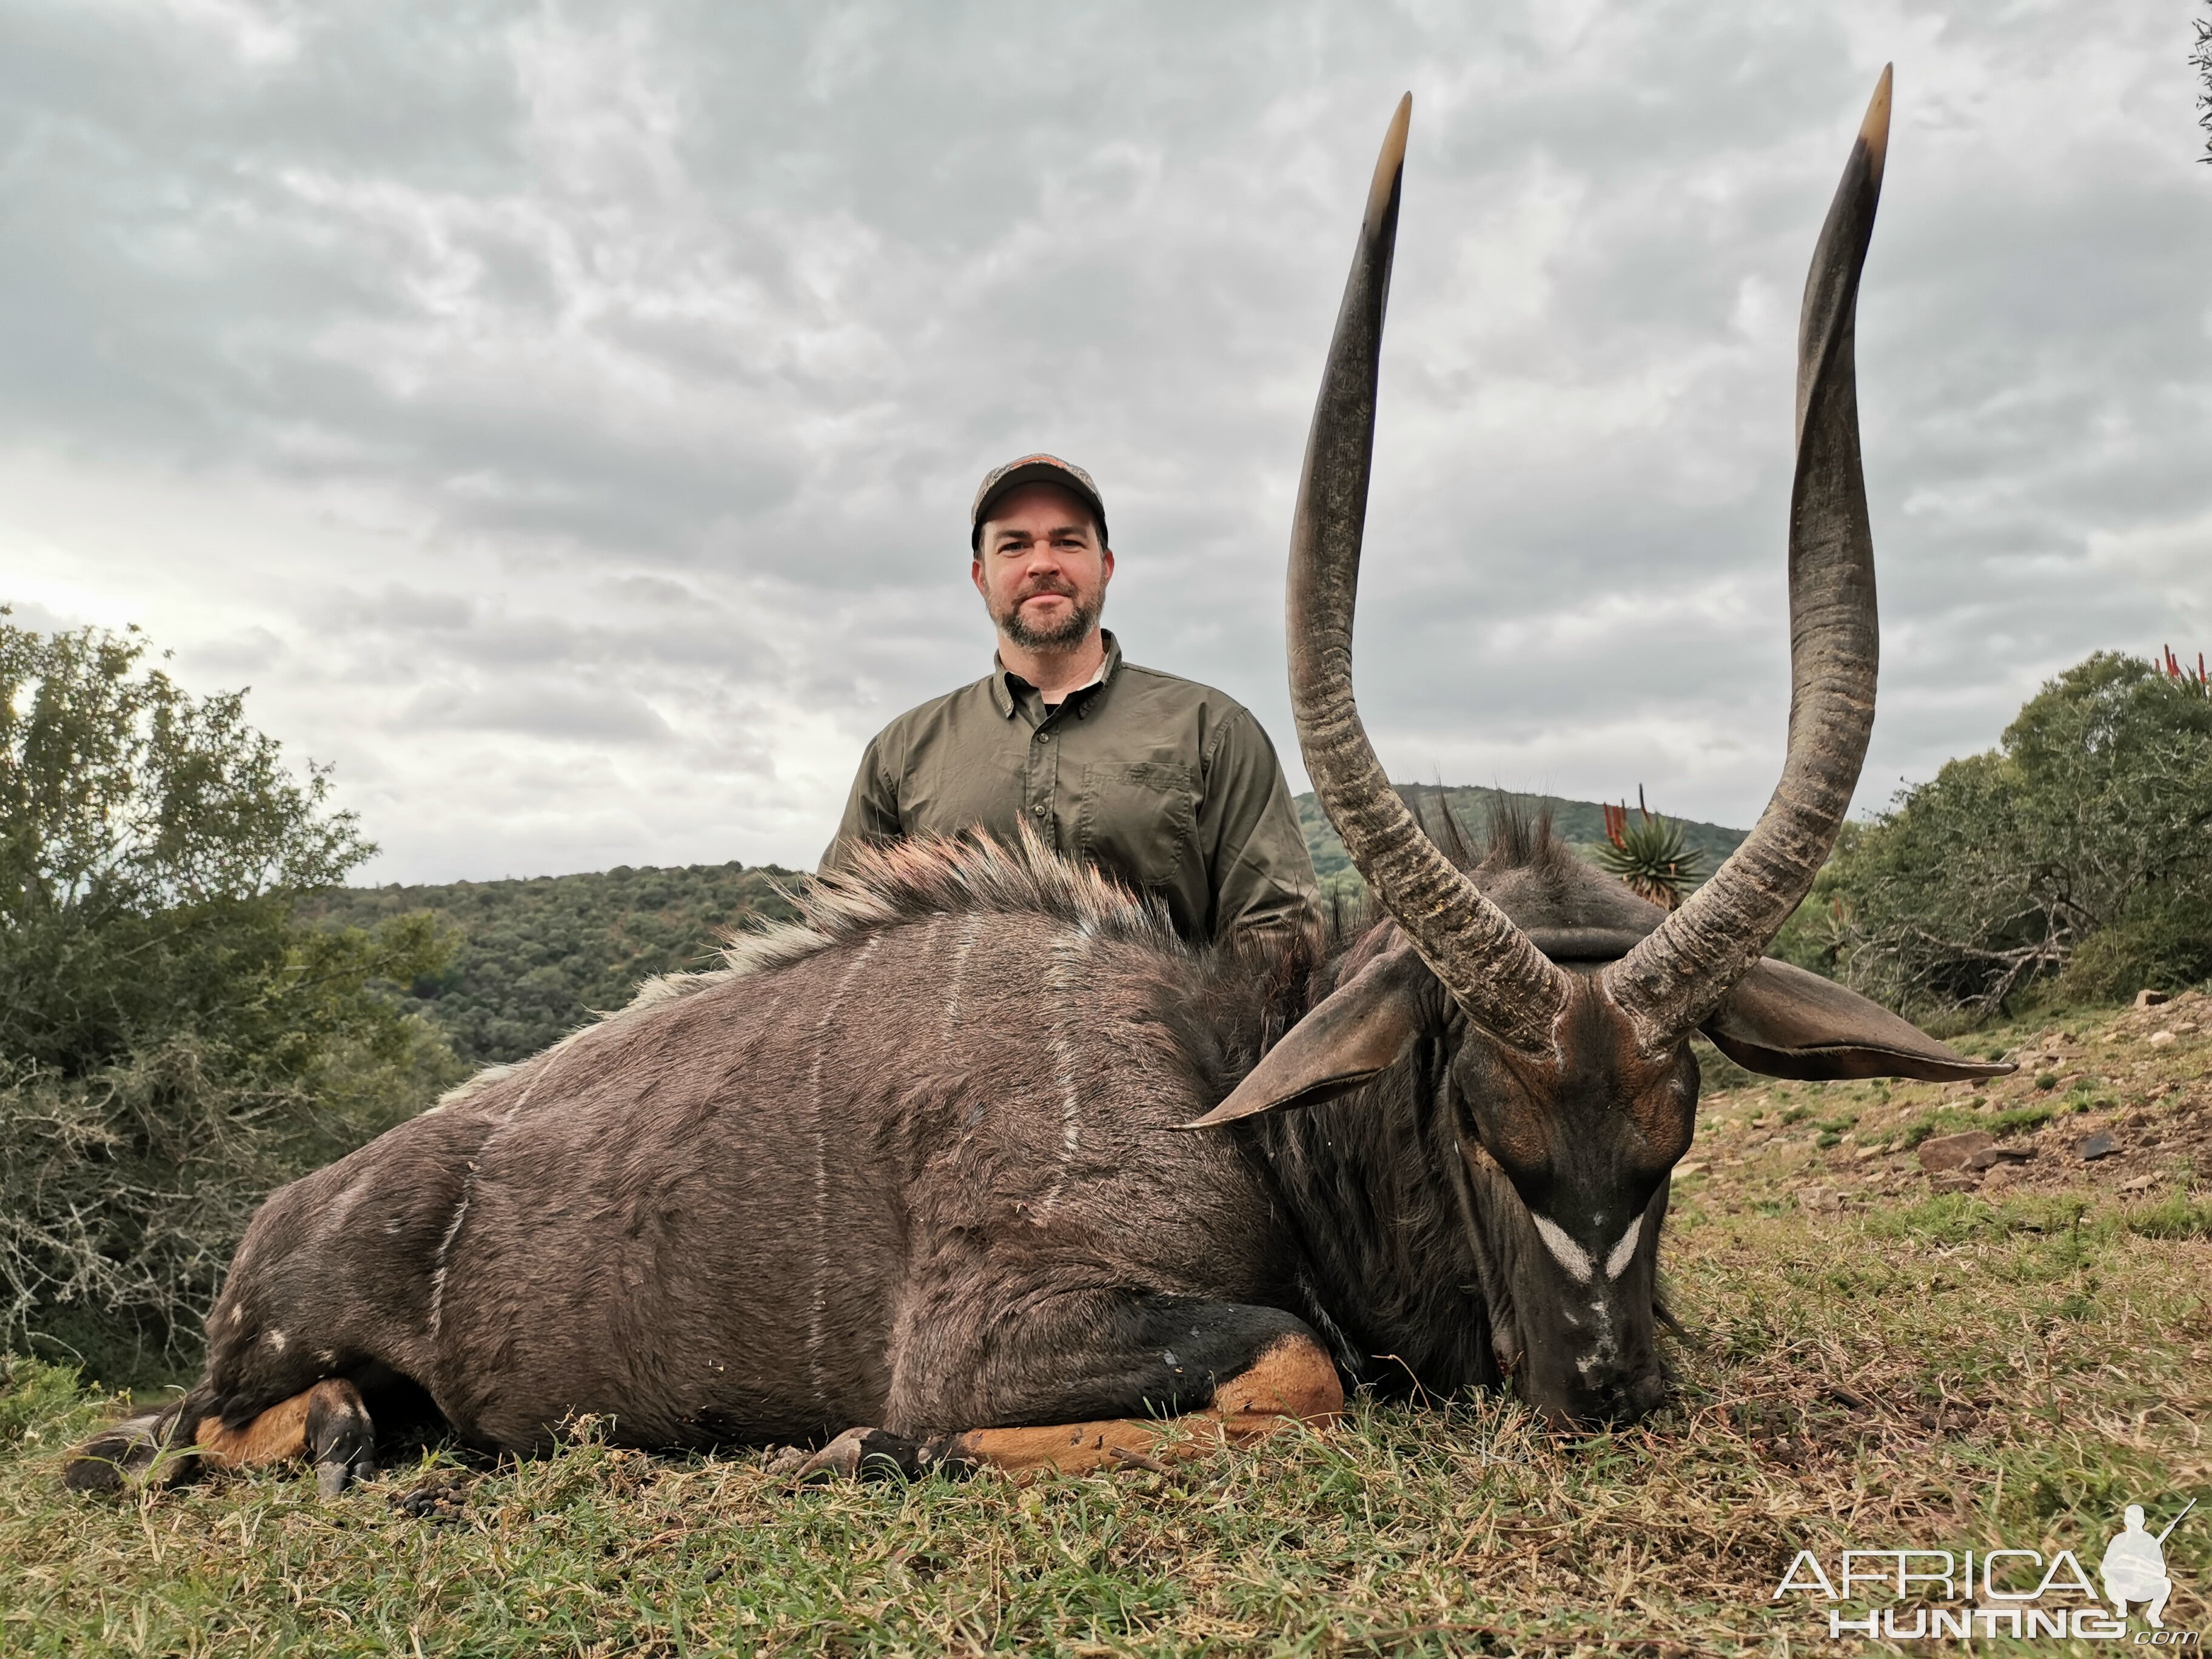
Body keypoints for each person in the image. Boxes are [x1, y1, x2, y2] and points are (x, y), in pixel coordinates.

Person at [822, 453, 1318, 944]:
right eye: (1014, 546)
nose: (1043, 563)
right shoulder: (901, 754)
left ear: (1104, 567)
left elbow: (1279, 935)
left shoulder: (1215, 732)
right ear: (981, 578)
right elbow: (833, 941)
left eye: (1067, 541)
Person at [2100, 1504, 2174, 1629]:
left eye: (2137, 1519)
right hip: (2121, 1587)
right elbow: (2105, 1568)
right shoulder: (2118, 1540)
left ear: (2143, 1521)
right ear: (2126, 1521)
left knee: (2166, 1583)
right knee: (2110, 1582)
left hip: (2143, 1587)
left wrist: (2146, 1568)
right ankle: (2121, 1606)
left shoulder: (2150, 1541)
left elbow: (2161, 1570)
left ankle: (2153, 1615)